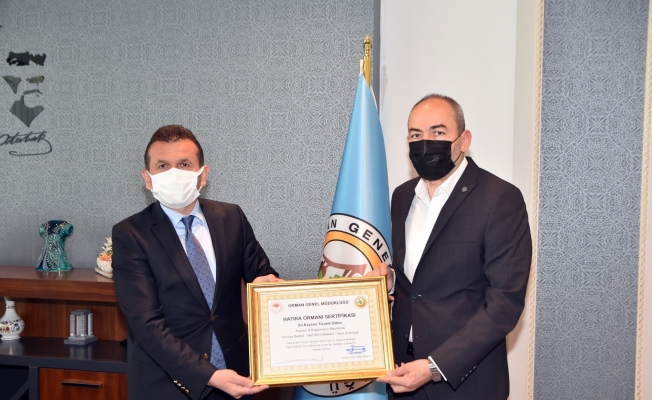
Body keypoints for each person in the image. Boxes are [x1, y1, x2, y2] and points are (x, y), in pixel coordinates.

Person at [376, 95, 532, 399]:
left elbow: (505, 304)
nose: (425, 143)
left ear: (464, 140)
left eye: (438, 132)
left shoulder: (500, 198)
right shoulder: (402, 196)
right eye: (416, 135)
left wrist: (434, 367)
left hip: (463, 382)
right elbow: (422, 276)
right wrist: (392, 278)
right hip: (401, 374)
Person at [112, 125, 279, 400]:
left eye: (184, 164)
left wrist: (268, 286)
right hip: (169, 385)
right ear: (148, 178)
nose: (173, 173)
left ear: (203, 175)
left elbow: (262, 275)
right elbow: (147, 325)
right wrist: (209, 375)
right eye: (162, 166)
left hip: (238, 377)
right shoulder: (131, 234)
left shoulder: (232, 217)